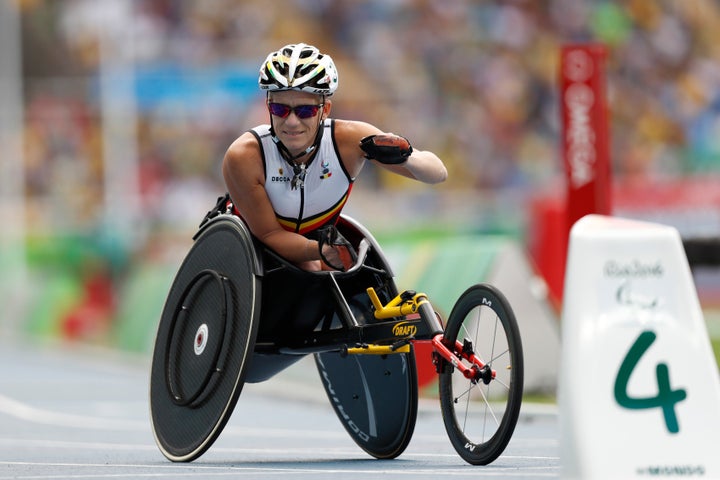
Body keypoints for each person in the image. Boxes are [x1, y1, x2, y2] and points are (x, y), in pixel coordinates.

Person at [222, 43, 447, 271]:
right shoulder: (244, 155)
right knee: (312, 267)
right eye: (280, 109)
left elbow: (437, 174)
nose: (291, 121)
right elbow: (270, 234)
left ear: (325, 109)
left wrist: (405, 156)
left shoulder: (349, 140)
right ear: (268, 106)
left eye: (304, 111)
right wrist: (321, 250)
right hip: (250, 253)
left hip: (318, 247)